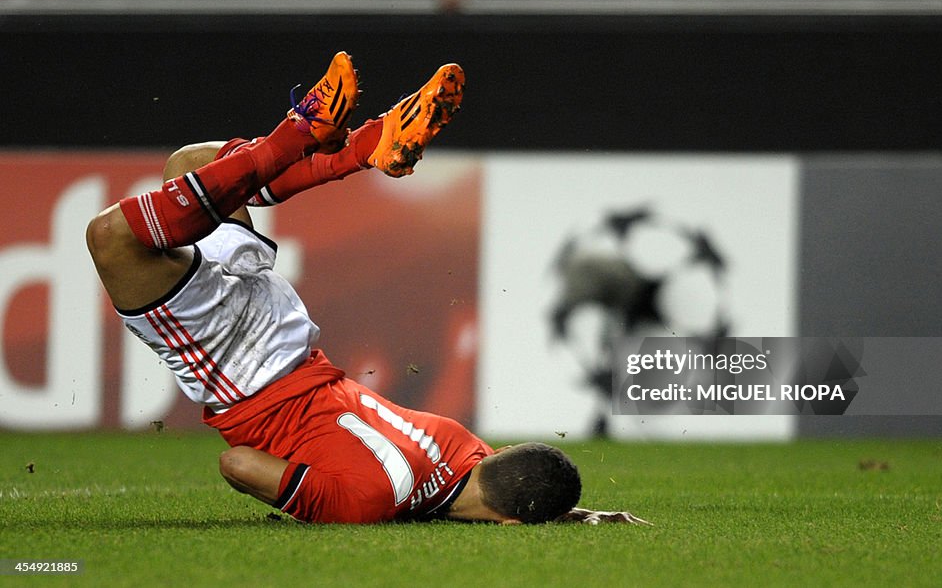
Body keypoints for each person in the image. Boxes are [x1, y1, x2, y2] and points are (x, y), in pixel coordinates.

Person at [86, 52, 648, 526]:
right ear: (508, 523)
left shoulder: (460, 447)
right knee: (111, 238)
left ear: (498, 456)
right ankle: (300, 136)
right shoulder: (368, 501)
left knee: (196, 164)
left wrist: (570, 509)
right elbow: (239, 465)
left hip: (287, 331)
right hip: (235, 369)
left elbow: (517, 482)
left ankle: (359, 148)